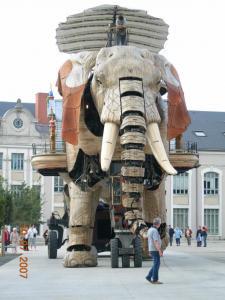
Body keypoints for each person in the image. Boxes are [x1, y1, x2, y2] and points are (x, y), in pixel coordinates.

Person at [145, 217, 163, 284]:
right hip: (155, 250)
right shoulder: (155, 231)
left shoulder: (150, 229)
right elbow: (155, 241)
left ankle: (149, 276)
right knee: (156, 264)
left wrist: (149, 250)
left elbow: (148, 240)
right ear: (158, 224)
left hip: (152, 249)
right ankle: (155, 279)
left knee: (156, 264)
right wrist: (160, 251)